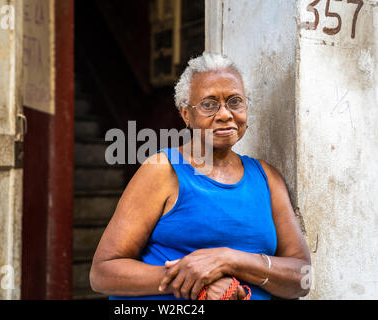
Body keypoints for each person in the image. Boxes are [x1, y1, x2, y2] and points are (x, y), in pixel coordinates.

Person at [90, 52, 311, 300]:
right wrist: (197, 284)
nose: (225, 114)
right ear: (186, 115)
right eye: (209, 104)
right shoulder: (163, 170)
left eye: (235, 101)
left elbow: (301, 278)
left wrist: (230, 260)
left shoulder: (266, 178)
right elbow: (103, 272)